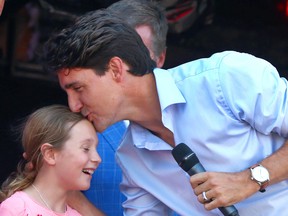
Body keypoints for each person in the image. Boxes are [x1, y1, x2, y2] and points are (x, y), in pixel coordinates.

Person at [42, 9, 288, 216]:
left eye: (78, 88)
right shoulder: (130, 158)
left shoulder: (224, 78)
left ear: (116, 69)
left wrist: (249, 180)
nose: (73, 105)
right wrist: (69, 197)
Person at [76, 0, 168, 215]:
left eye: (136, 53)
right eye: (112, 55)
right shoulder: (74, 129)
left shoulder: (201, 116)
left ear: (160, 58)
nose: (121, 67)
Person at [0, 105, 103, 215]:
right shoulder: (17, 209)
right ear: (50, 154)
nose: (98, 159)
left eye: (95, 149)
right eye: (86, 148)